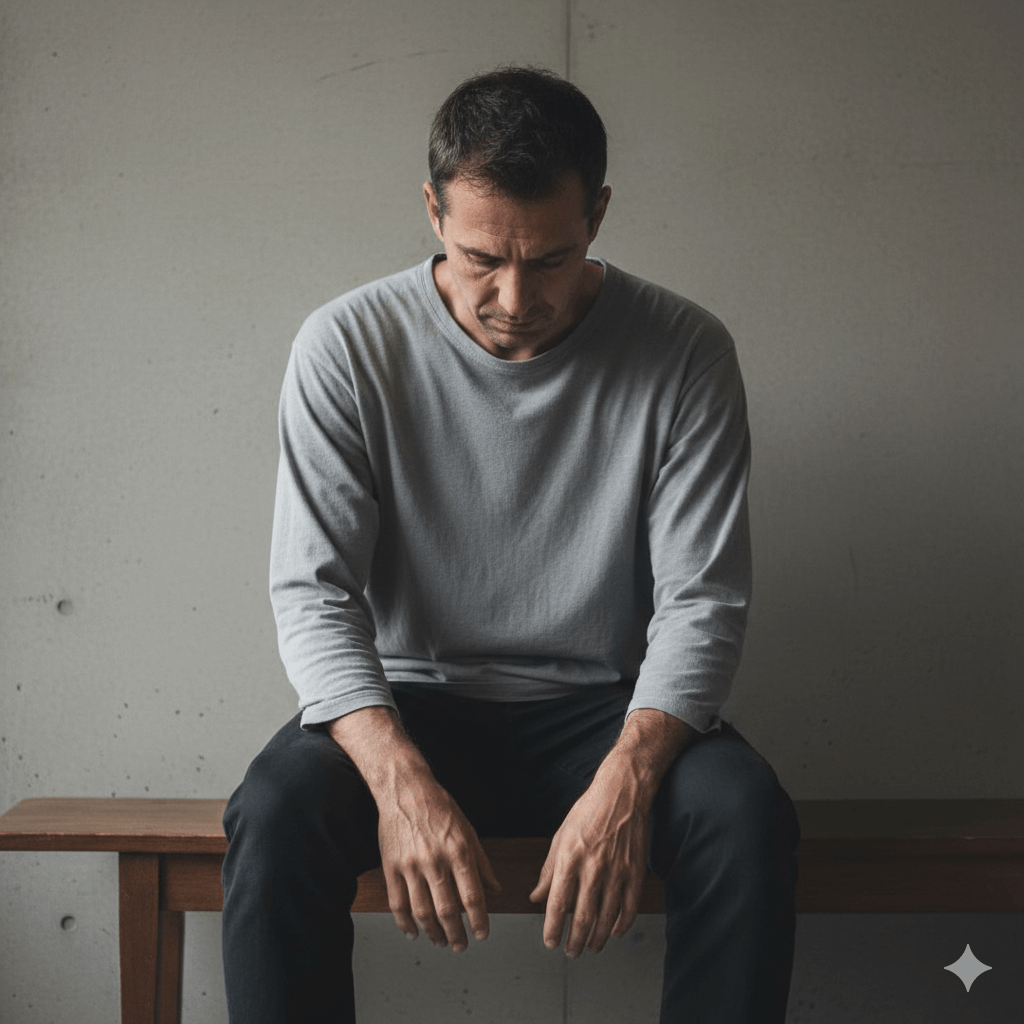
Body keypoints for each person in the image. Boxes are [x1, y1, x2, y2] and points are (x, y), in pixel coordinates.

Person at [221, 65, 801, 1024]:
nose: (514, 296)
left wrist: (625, 783)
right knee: (275, 812)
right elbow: (313, 593)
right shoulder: (346, 346)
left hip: (604, 711)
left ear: (599, 215)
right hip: (413, 704)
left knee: (744, 814)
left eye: (551, 258)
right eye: (484, 256)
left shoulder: (685, 350)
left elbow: (703, 601)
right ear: (432, 210)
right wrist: (400, 781)